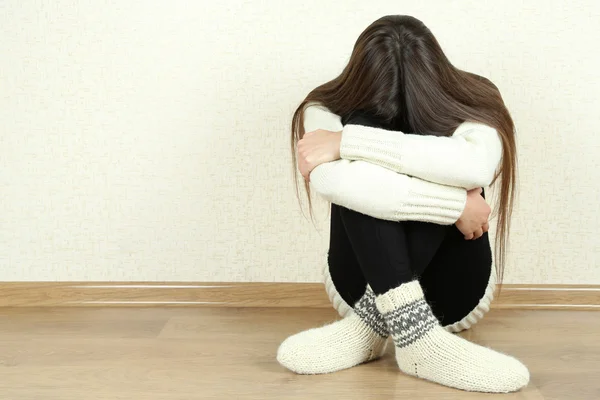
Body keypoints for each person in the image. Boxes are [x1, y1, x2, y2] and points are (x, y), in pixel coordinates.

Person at [277, 15, 530, 394]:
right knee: (361, 172)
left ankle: (378, 327)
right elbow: (334, 180)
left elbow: (475, 165)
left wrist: (349, 143)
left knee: (423, 157)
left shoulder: (476, 96)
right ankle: (411, 334)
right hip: (358, 282)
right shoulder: (324, 106)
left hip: (454, 293)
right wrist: (455, 206)